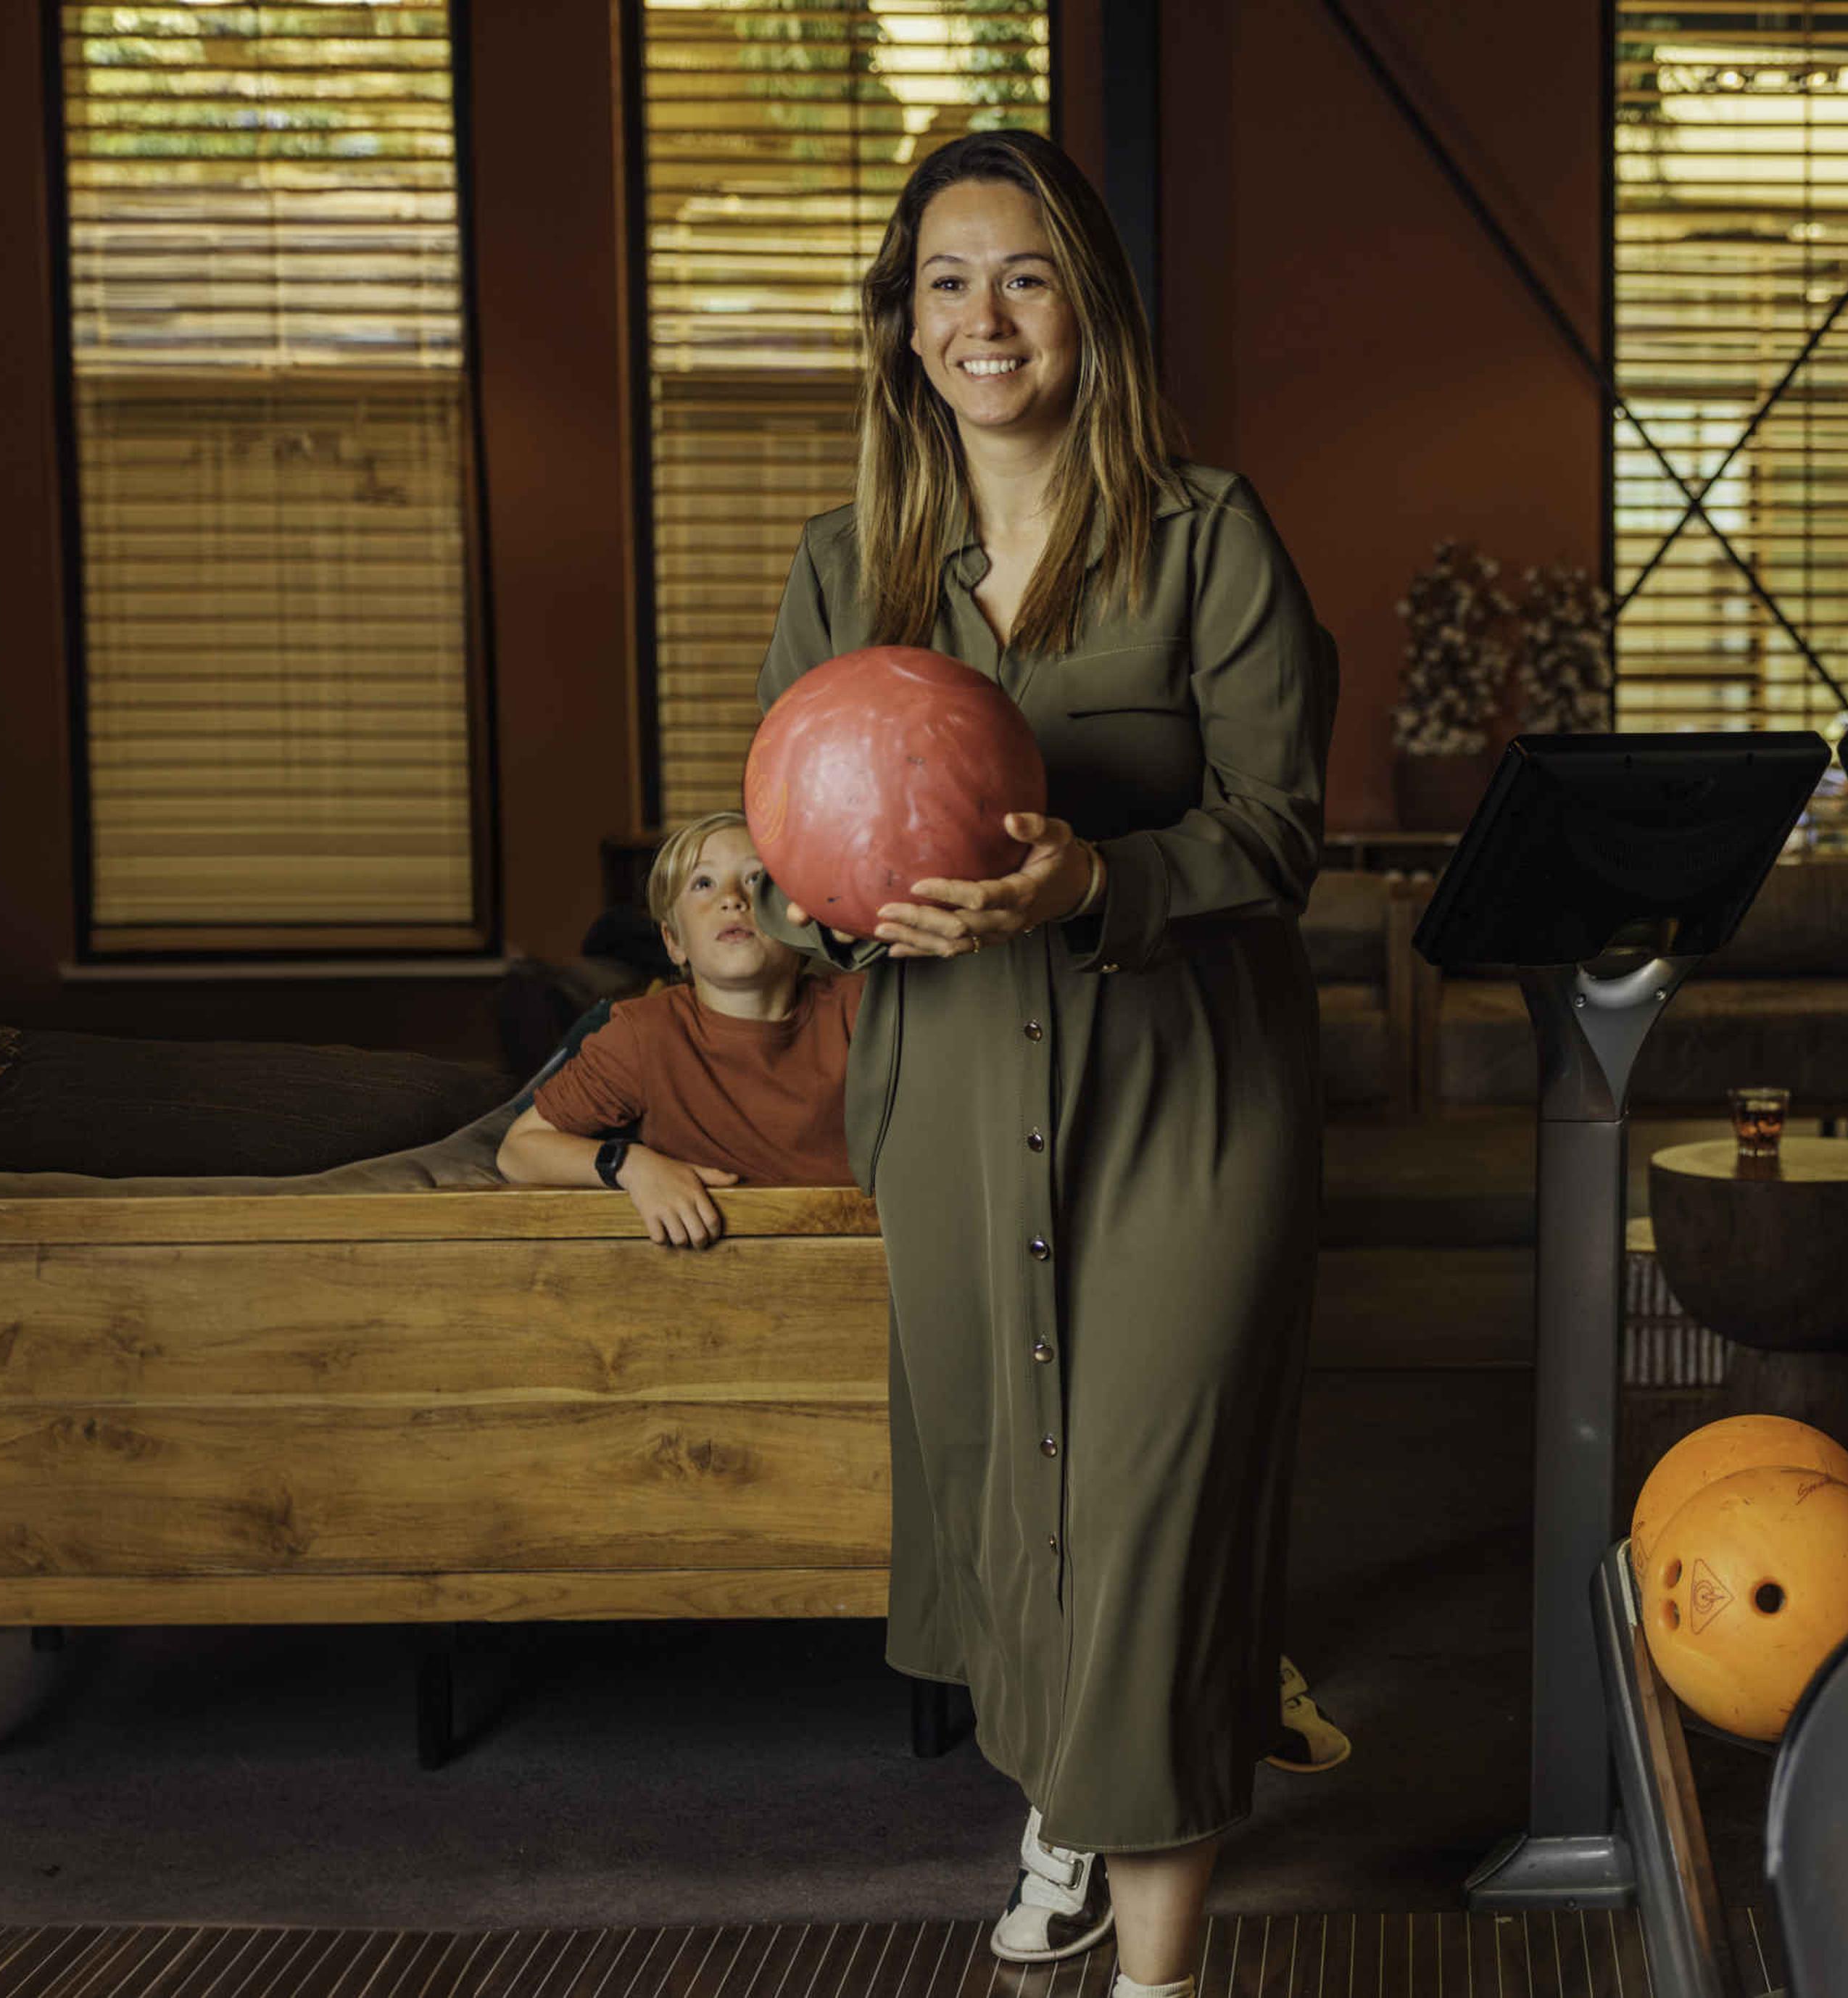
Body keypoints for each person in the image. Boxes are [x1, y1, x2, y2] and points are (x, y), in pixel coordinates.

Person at [750, 130, 1335, 1993]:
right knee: (1019, 1495)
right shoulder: (847, 571)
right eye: (942, 279)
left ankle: (1153, 1976)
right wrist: (839, 911)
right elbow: (791, 847)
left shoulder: (1207, 532)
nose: (980, 315)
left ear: (1087, 307)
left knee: (1152, 1524)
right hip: (949, 1114)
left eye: (1021, 275)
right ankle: (1068, 1796)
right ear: (900, 325)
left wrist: (1097, 874)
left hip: (1181, 1105)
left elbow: (1277, 830)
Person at [497, 812, 861, 1245]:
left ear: (798, 917)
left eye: (757, 879)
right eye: (703, 883)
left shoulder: (860, 1007)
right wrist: (632, 1165)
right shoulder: (643, 1035)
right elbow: (519, 1150)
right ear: (673, 942)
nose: (732, 899)